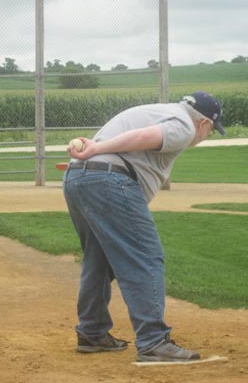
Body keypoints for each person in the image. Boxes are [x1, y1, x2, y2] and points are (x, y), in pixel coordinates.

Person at [63, 91, 225, 362]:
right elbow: (143, 138)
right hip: (108, 179)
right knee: (145, 257)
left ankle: (92, 332)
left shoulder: (161, 110)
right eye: (210, 130)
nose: (206, 135)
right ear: (204, 123)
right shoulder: (184, 125)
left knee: (98, 261)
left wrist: (93, 151)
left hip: (78, 177)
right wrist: (98, 149)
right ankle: (153, 341)